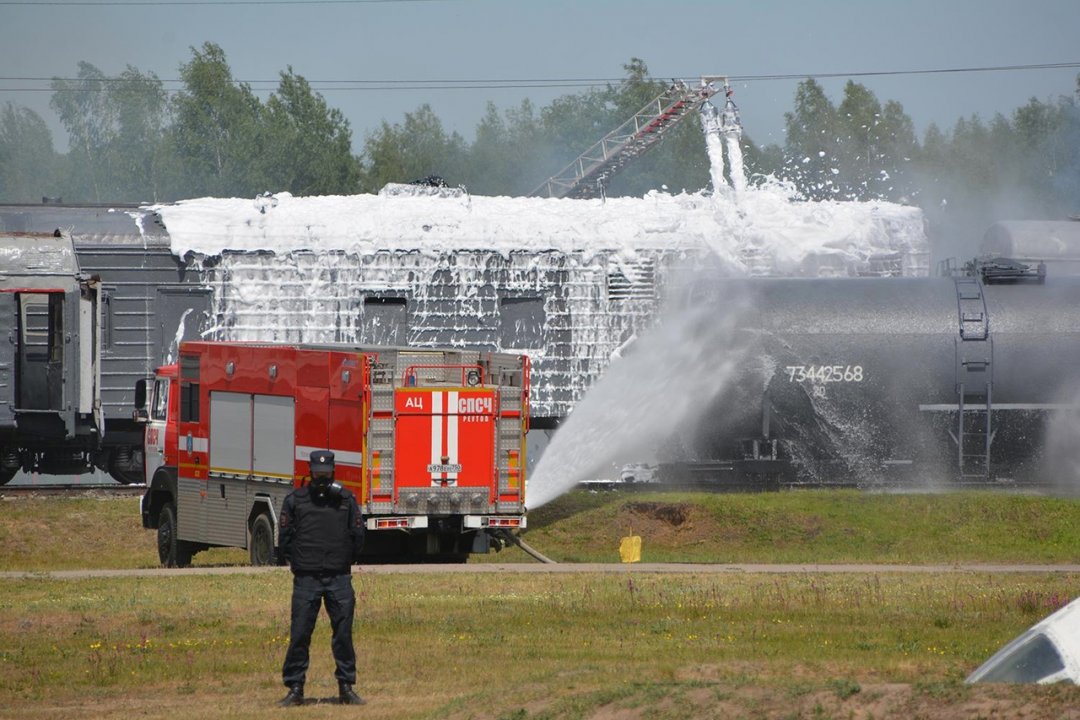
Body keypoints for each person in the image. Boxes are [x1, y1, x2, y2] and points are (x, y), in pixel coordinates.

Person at [277, 450, 366, 707]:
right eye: (318, 473)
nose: (322, 479)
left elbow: (358, 537)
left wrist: (343, 559)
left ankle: (346, 687)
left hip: (338, 577)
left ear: (333, 472)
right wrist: (299, 563)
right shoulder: (296, 500)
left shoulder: (346, 500)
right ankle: (295, 688)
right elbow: (284, 540)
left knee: (343, 636)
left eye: (326, 474)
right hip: (307, 578)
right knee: (300, 634)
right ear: (310, 472)